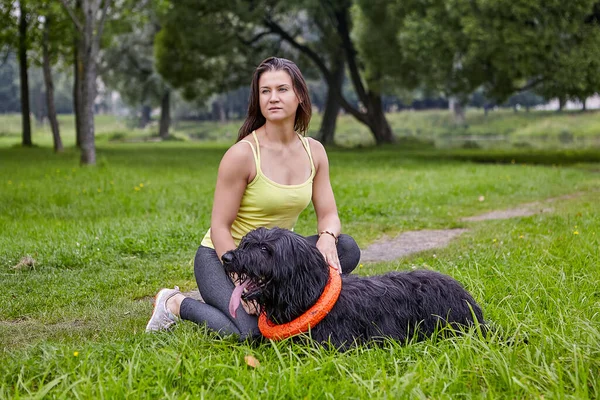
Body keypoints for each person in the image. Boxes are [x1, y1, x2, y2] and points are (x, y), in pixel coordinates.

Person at [146, 57, 361, 339]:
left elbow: (329, 214)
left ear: (299, 95)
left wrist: (327, 236)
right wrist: (240, 279)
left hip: (272, 258)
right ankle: (174, 303)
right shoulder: (243, 154)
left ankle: (279, 297)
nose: (273, 98)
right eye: (265, 91)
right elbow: (220, 227)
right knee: (252, 334)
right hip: (224, 256)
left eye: (282, 89)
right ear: (257, 99)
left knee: (346, 248)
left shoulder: (314, 151)